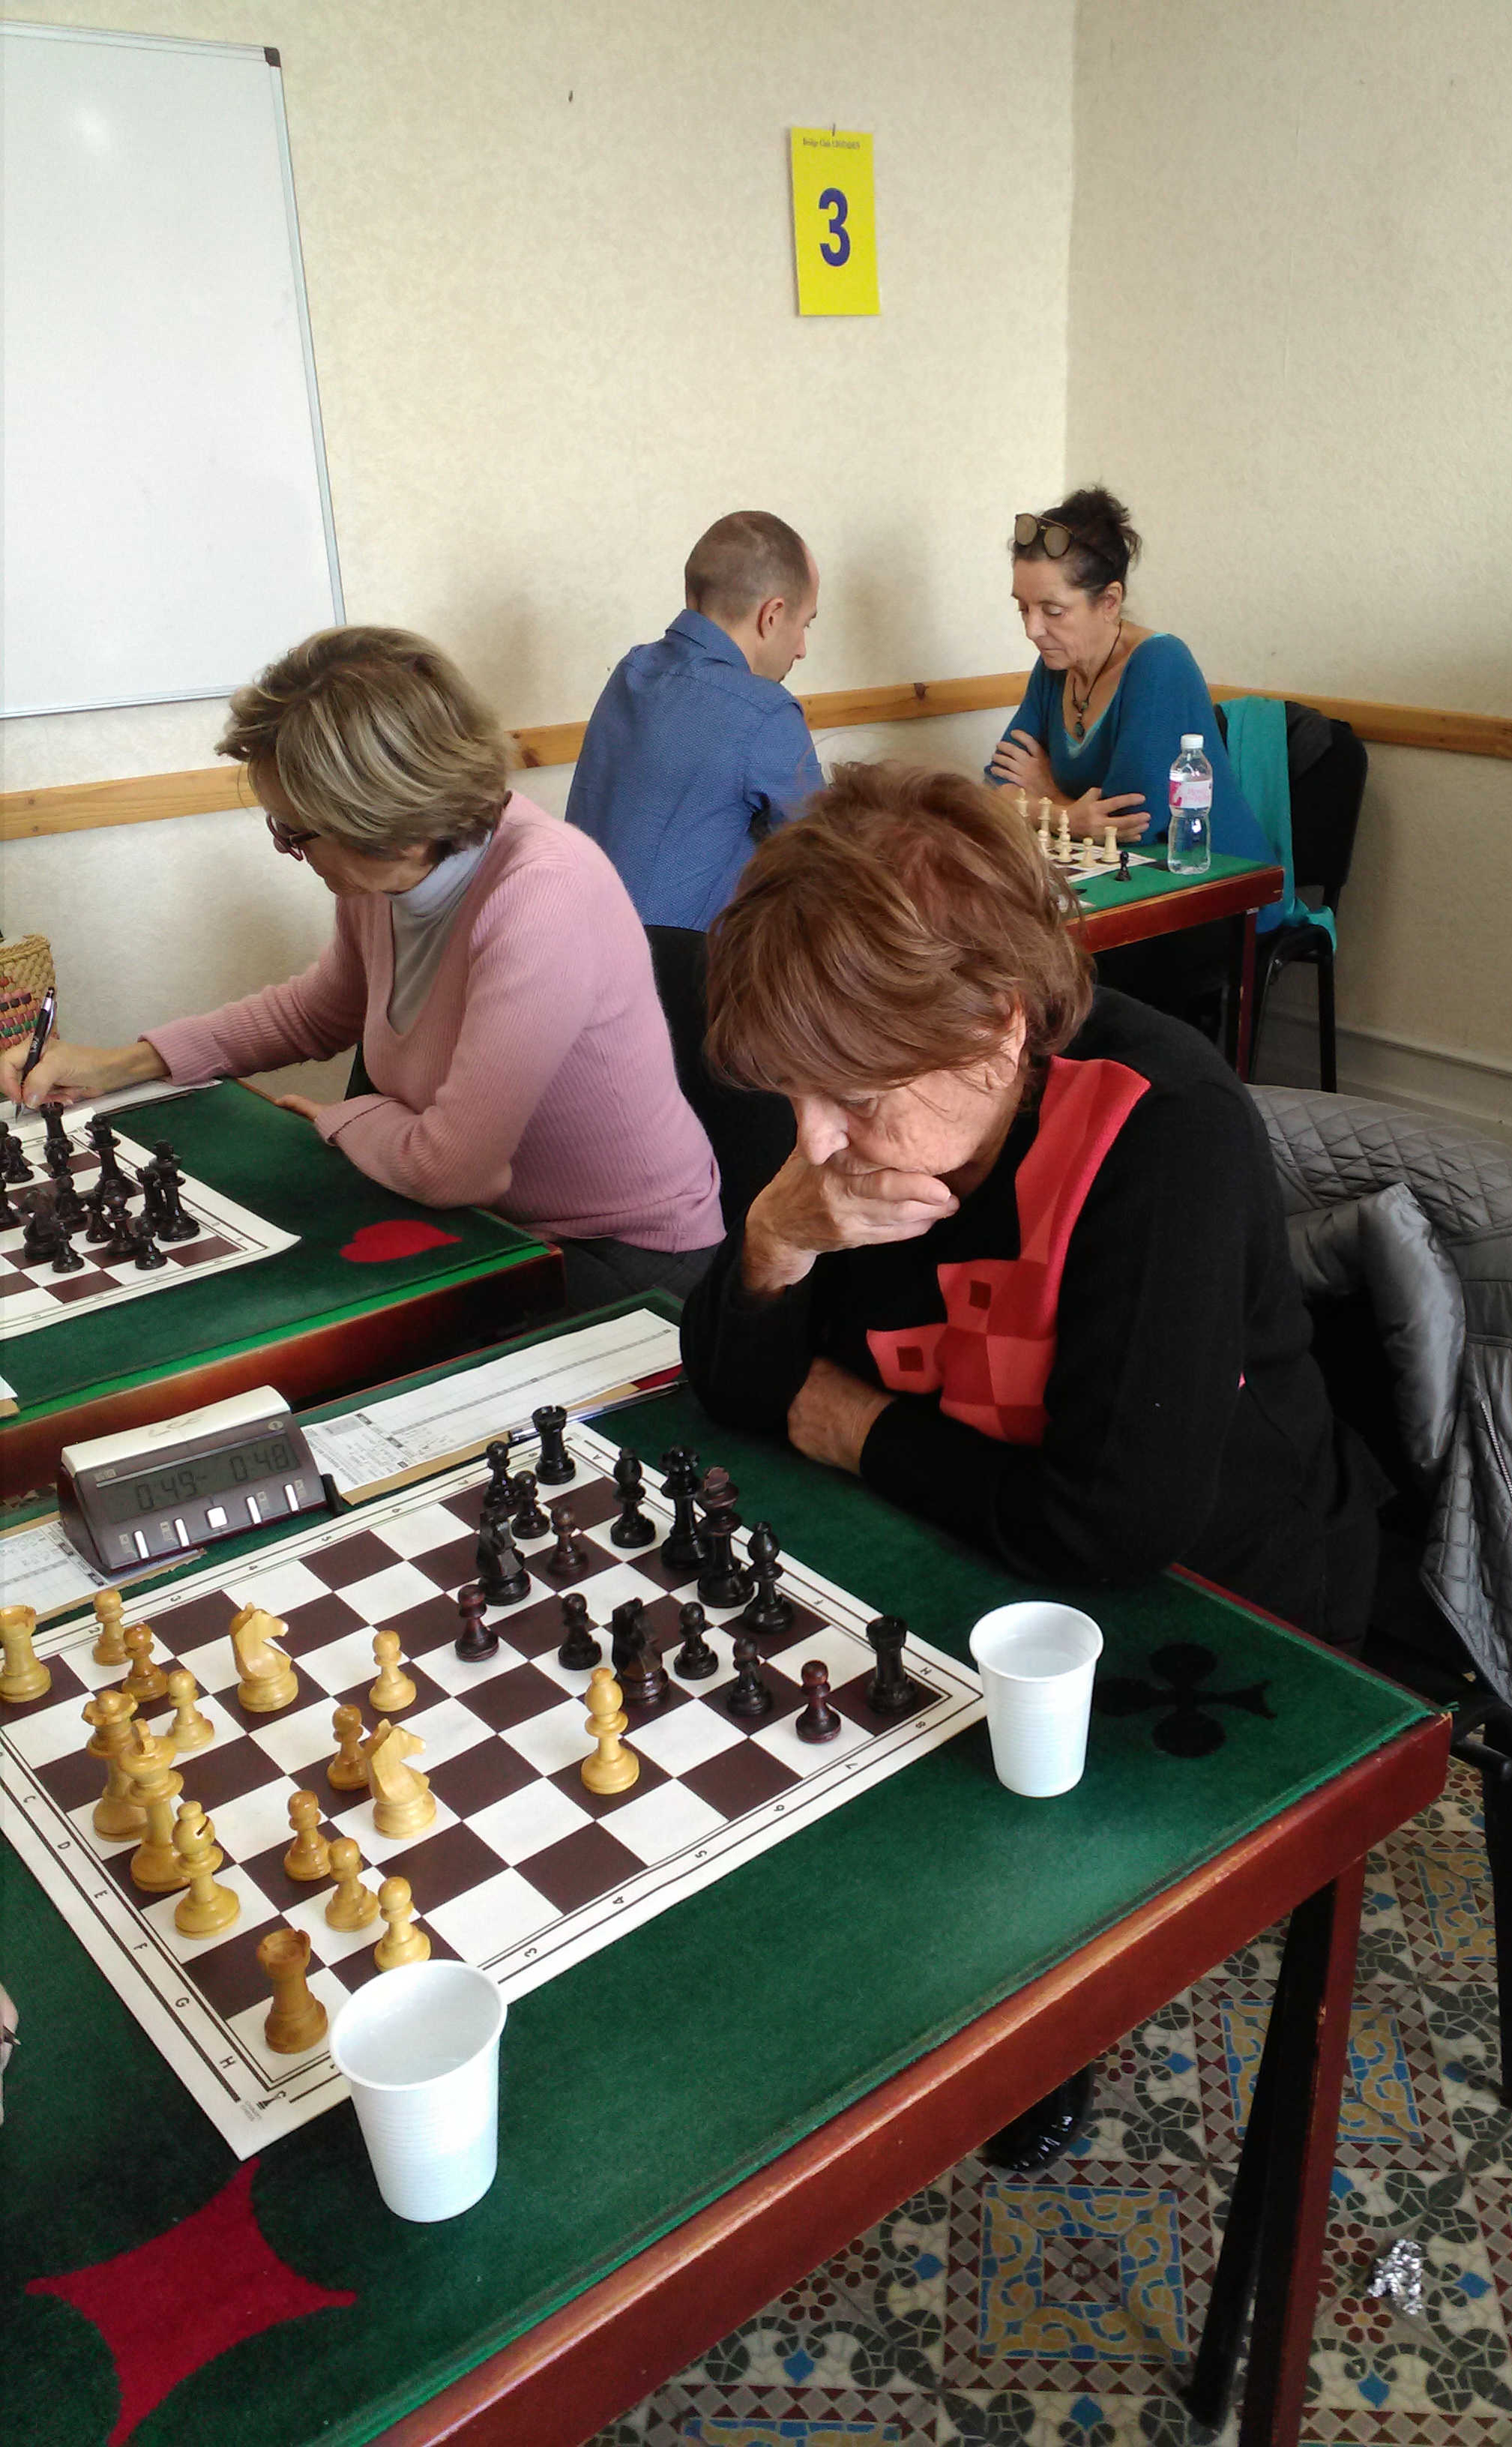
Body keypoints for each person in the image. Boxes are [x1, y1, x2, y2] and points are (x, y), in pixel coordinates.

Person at [681, 764, 1383, 2169]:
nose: (816, 1139)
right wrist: (773, 1238)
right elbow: (739, 1383)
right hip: (964, 1538)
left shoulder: (1165, 1129)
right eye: (793, 1095)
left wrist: (851, 1423)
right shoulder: (840, 1083)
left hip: (1216, 1597)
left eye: (854, 1098)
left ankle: (1036, 2007)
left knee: (950, 1805)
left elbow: (1113, 1522)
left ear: (998, 1027)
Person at [3, 627, 724, 1307]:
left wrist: (348, 1117)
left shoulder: (544, 893)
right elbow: (316, 1013)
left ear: (386, 826)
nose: (287, 850)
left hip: (624, 1256)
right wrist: (120, 1065)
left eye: (294, 833)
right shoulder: (385, 881)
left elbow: (453, 1169)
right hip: (490, 1226)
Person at [566, 511, 825, 930]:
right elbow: (825, 874)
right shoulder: (766, 712)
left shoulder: (631, 672)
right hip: (682, 968)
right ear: (772, 615)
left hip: (577, 944)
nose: (801, 649)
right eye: (804, 624)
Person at [986, 486, 1265, 855]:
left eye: (1053, 611)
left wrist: (1049, 794)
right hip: (1125, 871)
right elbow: (994, 787)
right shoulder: (1055, 664)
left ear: (1110, 602)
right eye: (1023, 608)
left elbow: (1130, 824)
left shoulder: (1160, 663)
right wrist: (1069, 815)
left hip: (1216, 876)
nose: (1032, 630)